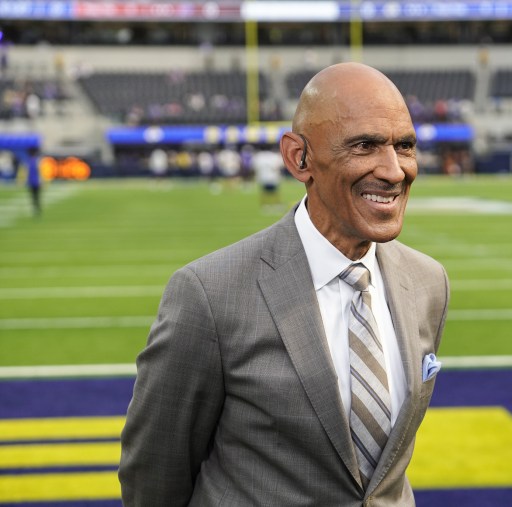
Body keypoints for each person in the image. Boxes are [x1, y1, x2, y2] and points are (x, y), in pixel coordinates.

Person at [119, 62, 450, 506]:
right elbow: (154, 478)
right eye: (365, 145)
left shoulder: (427, 282)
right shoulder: (210, 294)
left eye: (405, 146)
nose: (394, 170)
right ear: (300, 158)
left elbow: (381, 476)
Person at [253, 143, 284, 209]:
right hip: (273, 176)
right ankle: (276, 205)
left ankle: (264, 205)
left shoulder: (258, 156)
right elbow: (279, 165)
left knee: (264, 192)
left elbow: (255, 166)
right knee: (275, 192)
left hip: (263, 176)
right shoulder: (274, 156)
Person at [25, 147, 42, 216]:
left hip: (31, 182)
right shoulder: (37, 161)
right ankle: (37, 210)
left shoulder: (28, 161)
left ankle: (35, 210)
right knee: (36, 197)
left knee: (33, 197)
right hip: (36, 182)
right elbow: (39, 172)